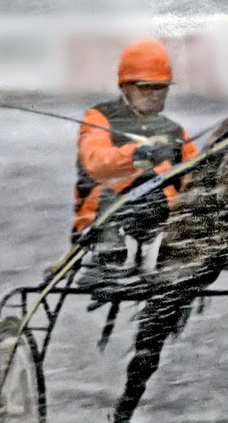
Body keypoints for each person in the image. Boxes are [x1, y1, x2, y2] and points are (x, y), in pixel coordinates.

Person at [73, 38, 197, 279]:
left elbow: (195, 178)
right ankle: (109, 255)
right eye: (145, 87)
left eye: (160, 87)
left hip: (160, 222)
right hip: (104, 221)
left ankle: (160, 253)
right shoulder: (100, 117)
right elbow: (95, 163)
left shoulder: (174, 131)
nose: (154, 95)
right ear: (125, 87)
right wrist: (137, 155)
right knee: (130, 191)